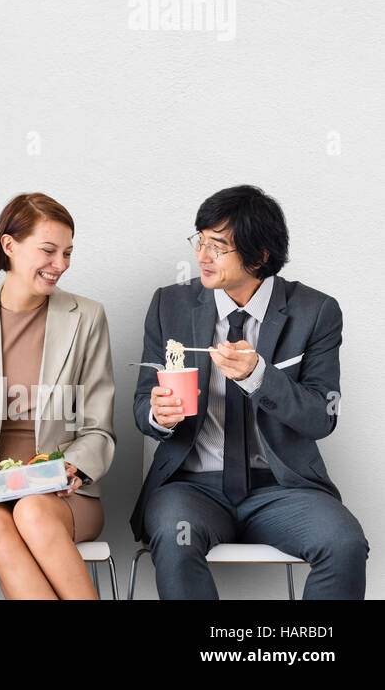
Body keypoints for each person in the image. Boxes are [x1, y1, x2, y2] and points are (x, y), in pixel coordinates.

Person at [131, 185, 368, 599]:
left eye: (217, 246)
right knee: (175, 536)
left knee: (343, 543)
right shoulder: (170, 305)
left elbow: (321, 416)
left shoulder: (315, 312)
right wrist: (158, 415)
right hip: (192, 486)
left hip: (282, 488)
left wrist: (260, 376)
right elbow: (141, 404)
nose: (202, 256)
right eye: (199, 240)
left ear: (259, 257)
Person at [0, 193, 114, 599]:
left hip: (59, 489)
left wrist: (73, 467)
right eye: (49, 251)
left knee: (31, 511)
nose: (61, 265)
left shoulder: (87, 317)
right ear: (9, 246)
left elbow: (99, 429)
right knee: (1, 527)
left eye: (68, 253)